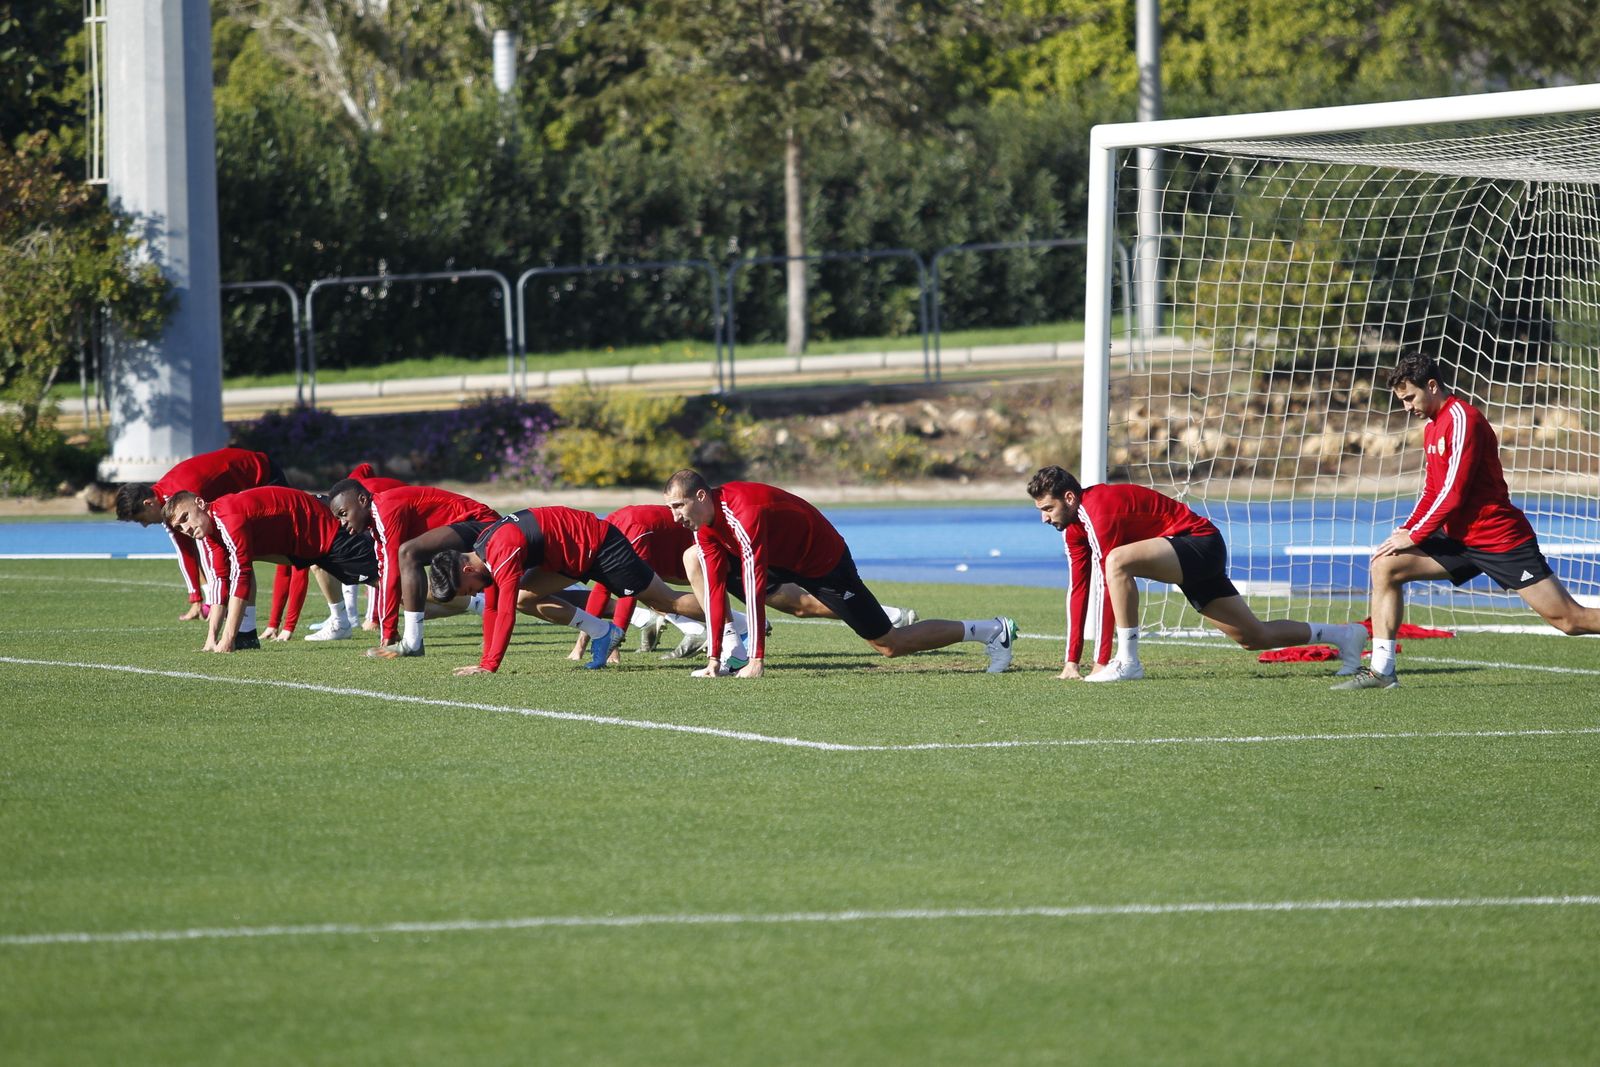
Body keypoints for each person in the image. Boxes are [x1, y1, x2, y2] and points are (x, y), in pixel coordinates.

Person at [1334, 351, 1600, 690]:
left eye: (1410, 397)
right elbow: (1432, 490)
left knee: (1569, 620)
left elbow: (1453, 493)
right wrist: (1407, 529)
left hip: (1500, 540)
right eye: (1401, 400)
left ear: (1432, 386)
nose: (1406, 407)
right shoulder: (1432, 429)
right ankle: (1382, 671)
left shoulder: (1463, 419)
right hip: (1460, 540)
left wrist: (1415, 535)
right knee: (1385, 565)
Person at [1026, 465, 1368, 683]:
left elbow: (1105, 580)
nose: (1044, 518)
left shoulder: (1097, 509)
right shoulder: (1074, 530)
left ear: (1069, 498)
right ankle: (1345, 635)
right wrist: (1071, 661)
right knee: (1253, 637)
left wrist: (1101, 663)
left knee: (1115, 562)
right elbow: (1080, 589)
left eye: (1047, 508)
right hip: (1185, 559)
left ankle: (1126, 662)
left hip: (1199, 544)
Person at [662, 469, 1016, 678]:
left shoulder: (743, 513)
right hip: (782, 559)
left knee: (889, 644)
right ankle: (728, 651)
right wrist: (713, 662)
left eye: (679, 505)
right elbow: (716, 580)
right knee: (697, 559)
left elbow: (753, 588)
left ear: (701, 496)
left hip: (823, 561)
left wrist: (759, 660)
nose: (675, 515)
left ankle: (990, 630)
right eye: (671, 507)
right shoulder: (703, 525)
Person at [569, 504, 918, 666]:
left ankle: (887, 615)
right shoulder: (607, 536)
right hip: (691, 561)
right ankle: (716, 631)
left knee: (795, 604)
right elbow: (605, 586)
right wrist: (583, 643)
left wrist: (611, 641)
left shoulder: (631, 531)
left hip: (717, 556)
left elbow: (629, 592)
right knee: (664, 603)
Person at [425, 506, 706, 676]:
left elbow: (505, 612)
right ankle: (603, 633)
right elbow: (493, 607)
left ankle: (737, 625)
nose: (471, 594)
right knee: (525, 598)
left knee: (666, 602)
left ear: (467, 570)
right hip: (571, 557)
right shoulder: (483, 549)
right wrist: (485, 661)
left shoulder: (501, 550)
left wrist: (489, 665)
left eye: (466, 590)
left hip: (602, 546)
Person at [165, 487, 378, 654]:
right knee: (230, 572)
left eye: (185, 518)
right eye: (179, 528)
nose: (187, 529)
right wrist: (211, 639)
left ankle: (410, 626)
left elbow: (242, 576)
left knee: (379, 579)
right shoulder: (211, 532)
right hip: (300, 541)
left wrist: (227, 640)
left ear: (200, 503)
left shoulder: (227, 517)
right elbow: (220, 580)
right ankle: (246, 635)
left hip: (320, 525)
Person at [113, 447, 298, 623]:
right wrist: (196, 598)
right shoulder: (168, 503)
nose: (144, 525)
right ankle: (250, 627)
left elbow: (205, 548)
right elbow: (184, 550)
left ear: (148, 504)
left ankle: (279, 624)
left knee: (291, 546)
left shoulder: (182, 495)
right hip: (243, 489)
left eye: (140, 519)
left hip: (262, 474)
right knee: (241, 557)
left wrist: (216, 601)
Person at [325, 479, 499, 657]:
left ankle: (413, 643)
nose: (342, 523)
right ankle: (414, 640)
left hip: (485, 525)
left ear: (362, 500)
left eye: (343, 513)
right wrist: (387, 633)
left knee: (408, 553)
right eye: (338, 518)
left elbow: (393, 573)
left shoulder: (384, 509)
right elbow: (385, 573)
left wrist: (388, 633)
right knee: (523, 599)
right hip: (475, 530)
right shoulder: (377, 524)